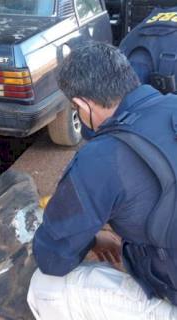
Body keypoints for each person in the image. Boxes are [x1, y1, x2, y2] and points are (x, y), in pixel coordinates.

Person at [27, 42, 177, 320]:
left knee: (44, 286)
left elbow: (53, 258)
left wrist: (88, 238)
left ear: (82, 104)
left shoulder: (102, 158)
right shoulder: (172, 106)